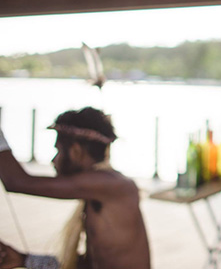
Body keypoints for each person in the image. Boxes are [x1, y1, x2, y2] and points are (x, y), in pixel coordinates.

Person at [0, 107, 151, 269]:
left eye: (57, 150)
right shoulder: (104, 188)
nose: (53, 160)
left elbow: (17, 182)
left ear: (76, 151)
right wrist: (25, 260)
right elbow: (92, 263)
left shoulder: (112, 185)